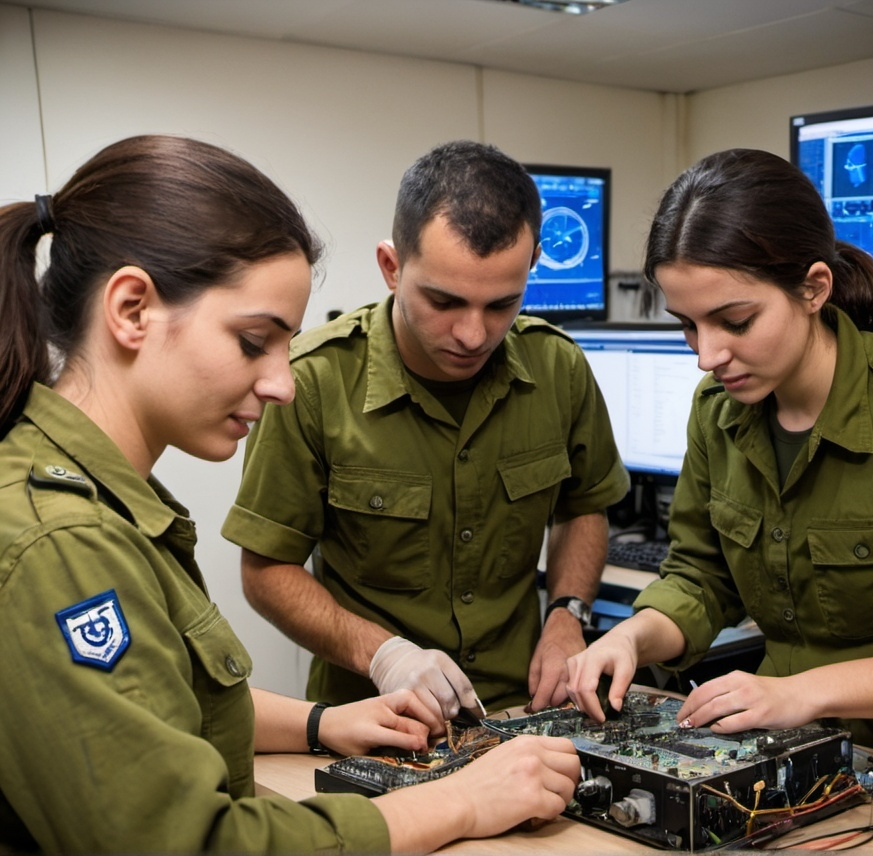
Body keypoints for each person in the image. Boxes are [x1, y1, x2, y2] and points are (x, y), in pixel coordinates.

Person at [0, 134, 580, 853]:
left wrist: (319, 723)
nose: (281, 382)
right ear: (131, 309)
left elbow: (158, 702)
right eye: (253, 342)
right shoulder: (61, 540)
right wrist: (461, 803)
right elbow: (190, 843)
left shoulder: (85, 495)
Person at [565, 148, 873, 784]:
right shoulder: (719, 410)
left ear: (813, 288)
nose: (707, 355)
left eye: (734, 321)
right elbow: (702, 576)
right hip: (782, 760)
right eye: (687, 326)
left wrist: (805, 692)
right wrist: (633, 637)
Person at [221, 139, 629, 734]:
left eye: (502, 304)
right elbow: (266, 570)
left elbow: (585, 506)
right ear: (392, 267)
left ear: (532, 264)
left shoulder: (558, 368)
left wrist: (568, 612)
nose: (472, 333)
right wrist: (384, 655)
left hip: (526, 710)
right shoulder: (312, 382)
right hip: (374, 720)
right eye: (444, 301)